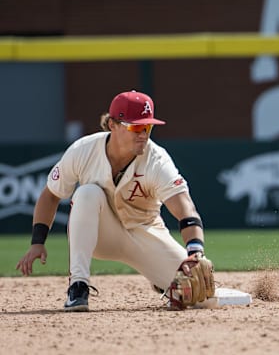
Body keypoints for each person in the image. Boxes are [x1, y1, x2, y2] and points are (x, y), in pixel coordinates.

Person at [16, 90, 210, 311]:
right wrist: (37, 242)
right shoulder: (83, 150)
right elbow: (50, 195)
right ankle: (78, 285)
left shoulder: (156, 159)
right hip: (100, 235)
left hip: (144, 232)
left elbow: (184, 206)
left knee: (200, 297)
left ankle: (159, 278)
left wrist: (195, 250)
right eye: (136, 127)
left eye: (148, 127)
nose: (143, 134)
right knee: (87, 193)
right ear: (112, 124)